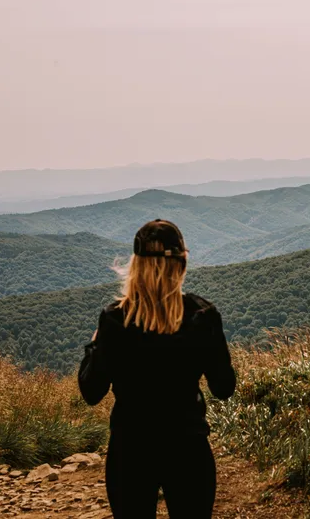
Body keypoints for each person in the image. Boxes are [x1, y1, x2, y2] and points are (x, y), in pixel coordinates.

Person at [78, 219, 236, 518]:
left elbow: (91, 391)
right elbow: (224, 387)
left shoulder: (115, 320)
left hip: (131, 447)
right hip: (188, 447)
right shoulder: (202, 316)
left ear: (135, 265)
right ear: (181, 264)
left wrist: (93, 346)